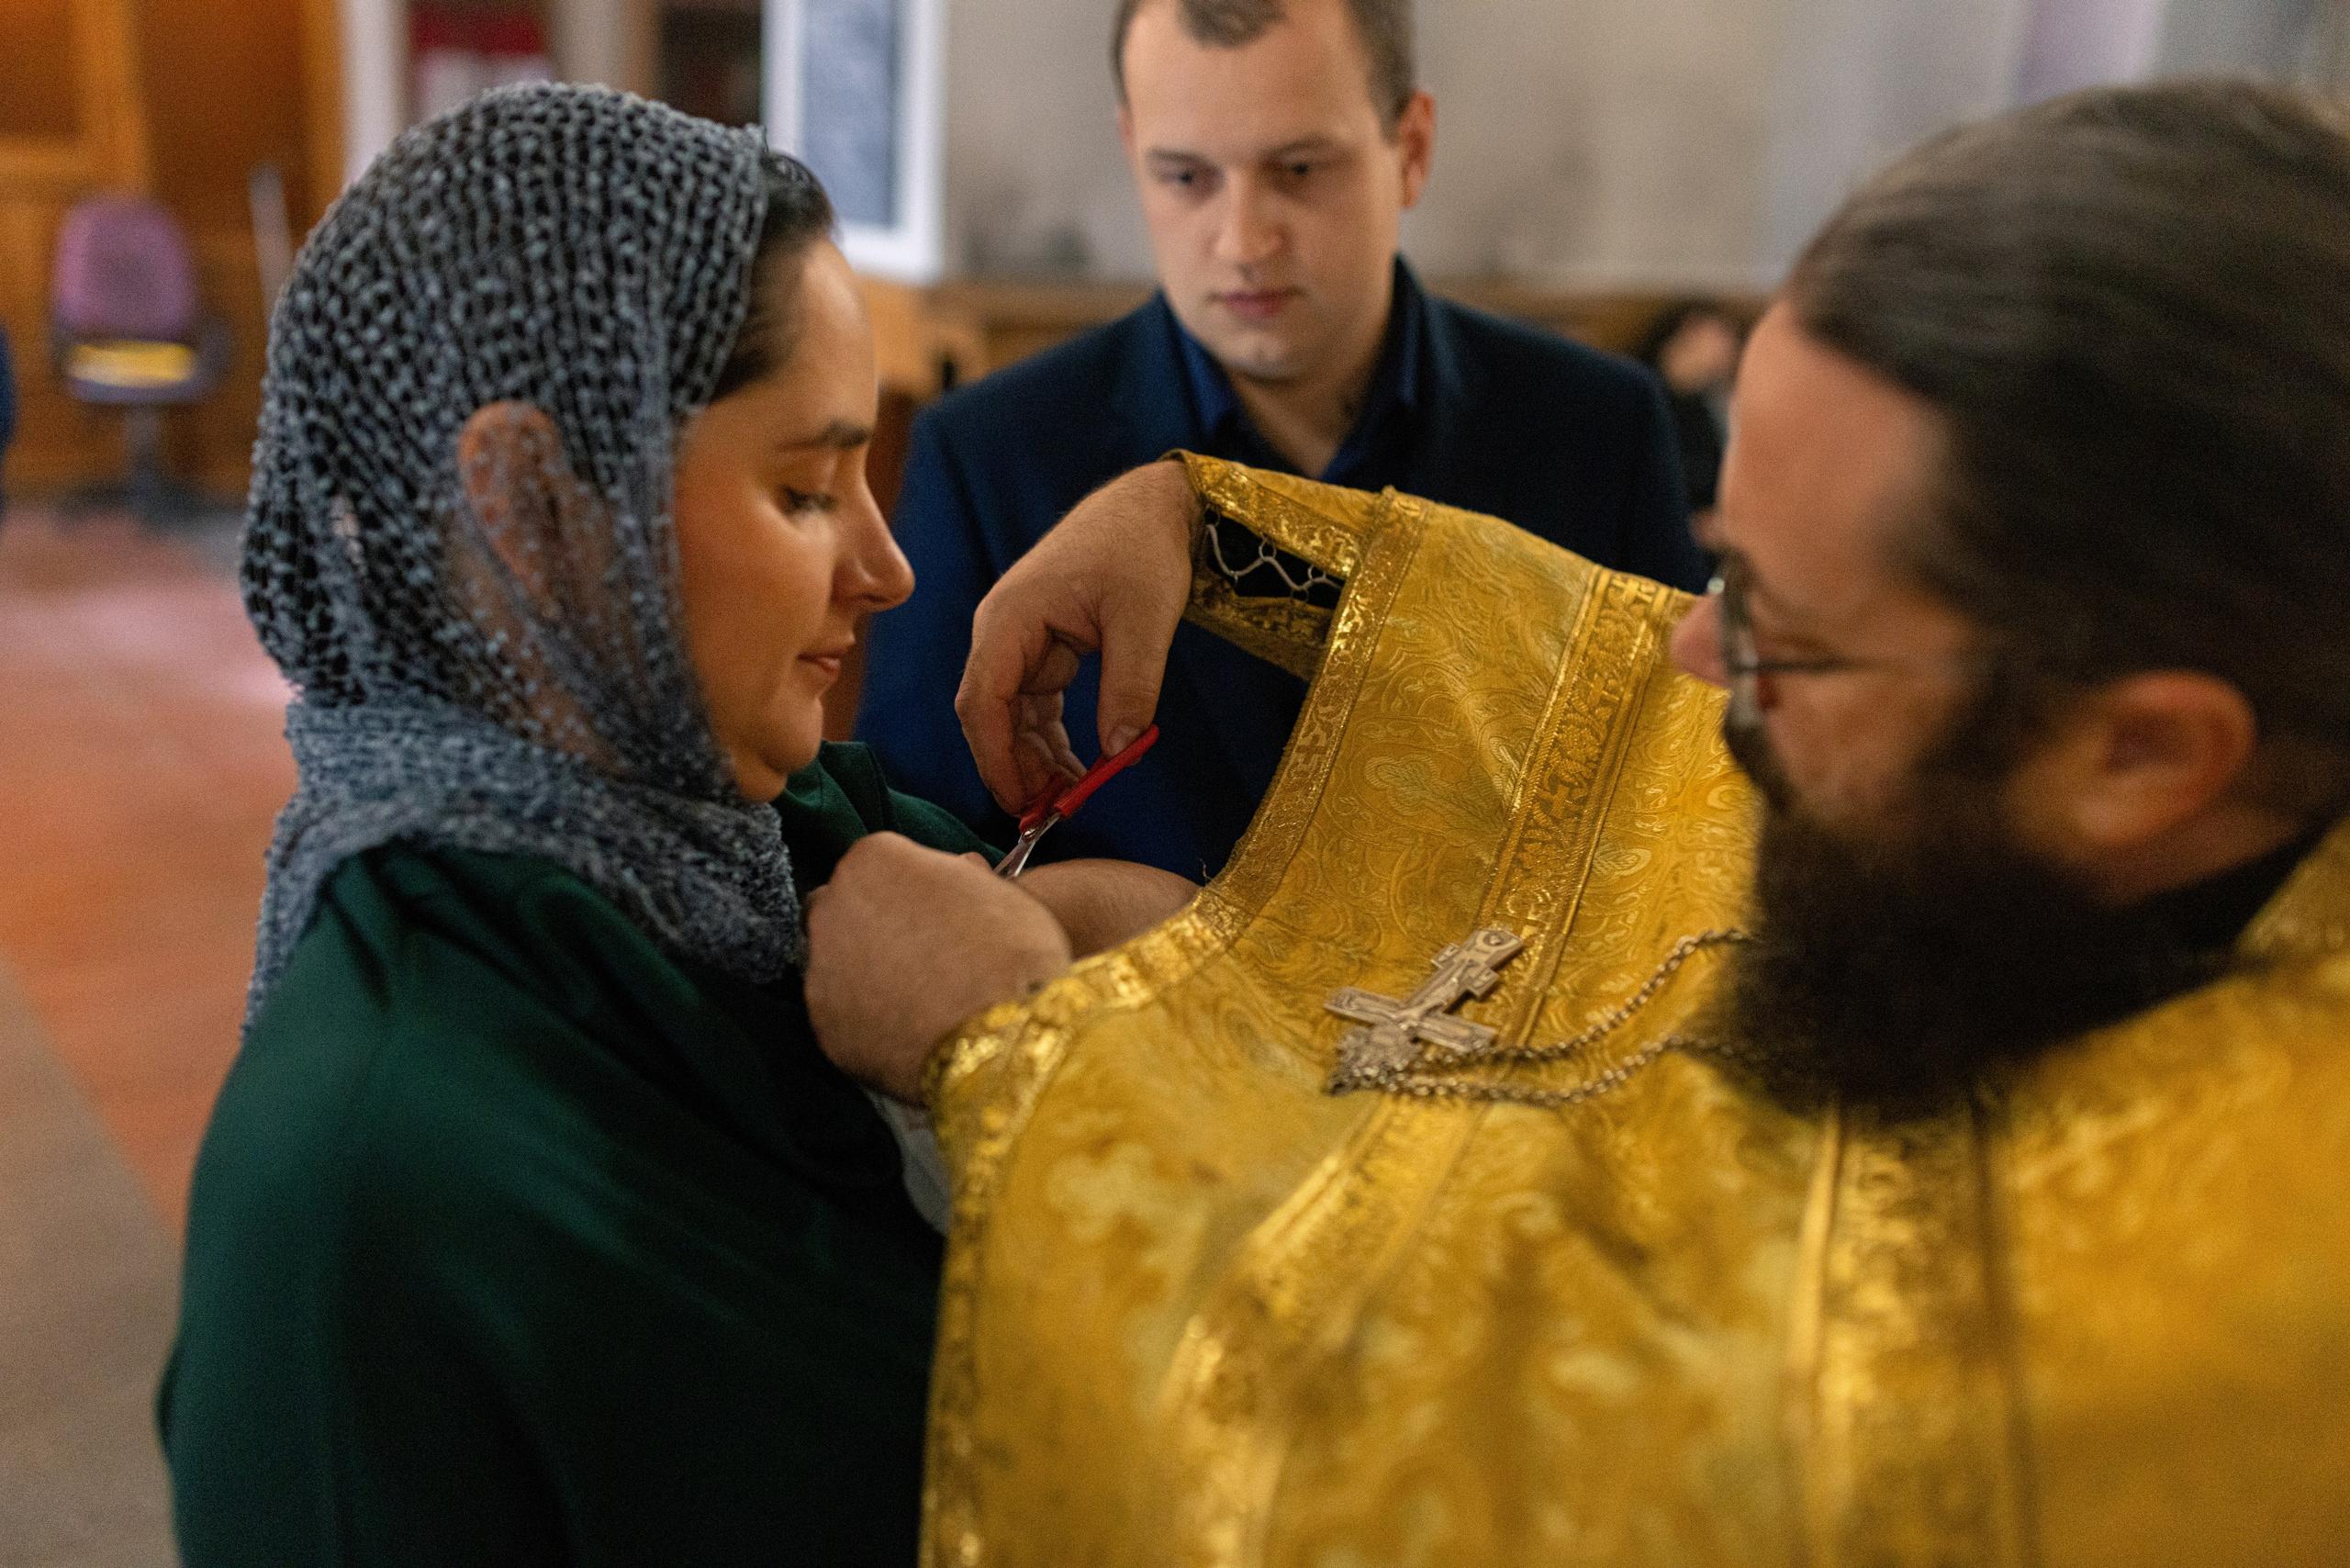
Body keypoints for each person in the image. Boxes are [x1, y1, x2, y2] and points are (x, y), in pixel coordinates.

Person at [805, 81, 2350, 1562]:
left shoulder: (2267, 1284)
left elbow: (1518, 1470)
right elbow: (1611, 683)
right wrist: (1211, 538)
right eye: (1722, 567)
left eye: (1779, 632)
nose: (1695, 655)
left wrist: (1013, 1046)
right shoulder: (2125, 743)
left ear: (2144, 753)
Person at [160, 85, 1185, 1564]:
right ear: (531, 503)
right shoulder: (366, 1187)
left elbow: (1200, 953)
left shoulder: (750, 818)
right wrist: (1015, 1045)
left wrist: (1044, 947)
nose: (887, 569)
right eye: (806, 487)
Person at [855, 0, 1705, 882]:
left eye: (1299, 169)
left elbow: (1672, 828)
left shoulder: (1600, 432)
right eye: (1186, 178)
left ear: (1410, 149)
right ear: (1132, 152)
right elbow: (930, 874)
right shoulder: (986, 457)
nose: (1243, 241)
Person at [1632, 297, 1743, 530]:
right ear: (1694, 327)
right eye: (1723, 333)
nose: (1732, 346)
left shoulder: (1701, 403)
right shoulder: (1642, 394)